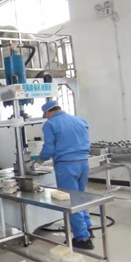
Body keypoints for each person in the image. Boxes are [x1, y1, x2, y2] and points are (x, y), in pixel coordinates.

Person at [36, 100, 94, 250]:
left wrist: (39, 160)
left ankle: (82, 238)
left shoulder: (50, 124)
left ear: (47, 112)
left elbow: (49, 148)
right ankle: (88, 228)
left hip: (66, 165)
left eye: (46, 115)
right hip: (83, 163)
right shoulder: (80, 120)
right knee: (80, 197)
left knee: (70, 201)